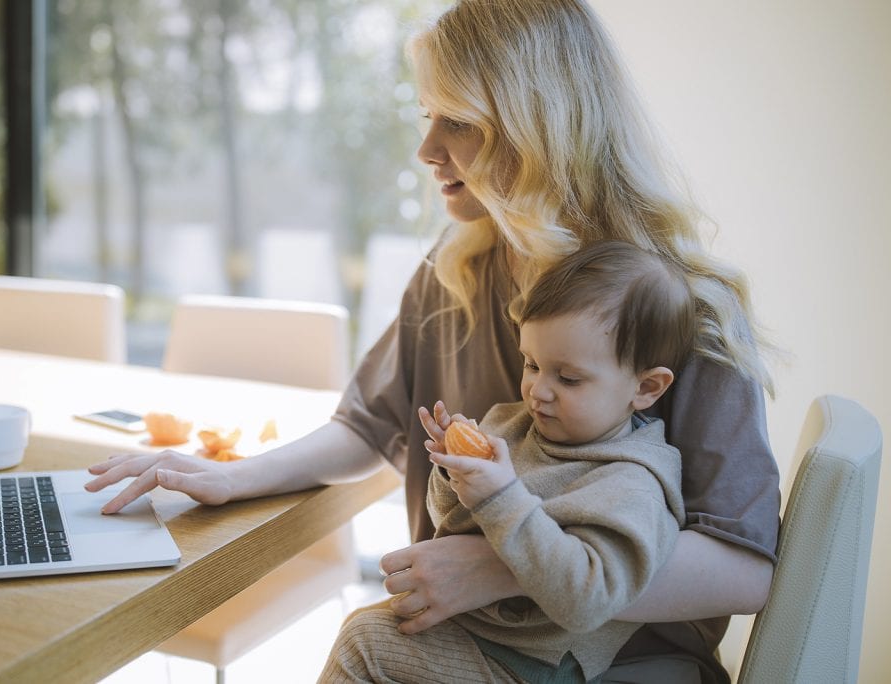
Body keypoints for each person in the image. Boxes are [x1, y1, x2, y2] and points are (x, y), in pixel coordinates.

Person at [85, 1, 780, 680]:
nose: (426, 150)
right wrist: (234, 476)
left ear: (538, 127)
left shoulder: (682, 306)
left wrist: (503, 569)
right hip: (465, 646)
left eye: (460, 123)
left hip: (625, 663)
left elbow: (743, 567)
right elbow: (370, 424)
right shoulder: (456, 268)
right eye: (427, 117)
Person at [319, 240, 695, 682]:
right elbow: (454, 527)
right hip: (474, 629)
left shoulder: (632, 481)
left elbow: (588, 600)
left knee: (365, 643)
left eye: (568, 377)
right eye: (531, 364)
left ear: (647, 388)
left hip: (534, 664)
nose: (539, 389)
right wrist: (455, 474)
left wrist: (501, 497)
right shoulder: (513, 424)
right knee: (366, 626)